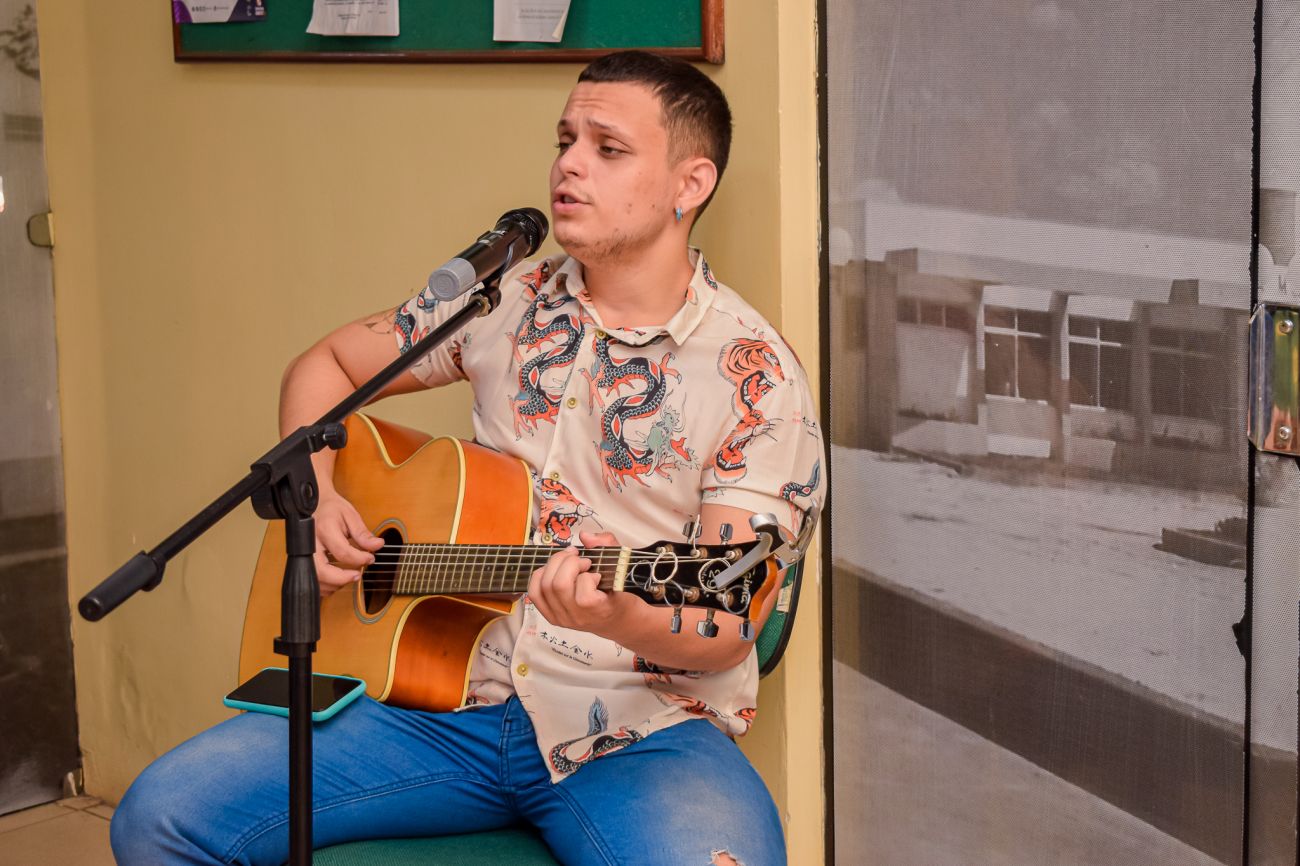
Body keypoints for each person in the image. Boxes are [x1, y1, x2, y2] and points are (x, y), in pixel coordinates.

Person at [110, 50, 824, 866]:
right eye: (565, 141)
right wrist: (320, 495)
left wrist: (615, 615)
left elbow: (728, 623)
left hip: (642, 727)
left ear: (689, 185)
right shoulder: (502, 300)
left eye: (608, 148)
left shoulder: (754, 375)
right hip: (441, 702)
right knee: (160, 818)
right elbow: (328, 365)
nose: (570, 165)